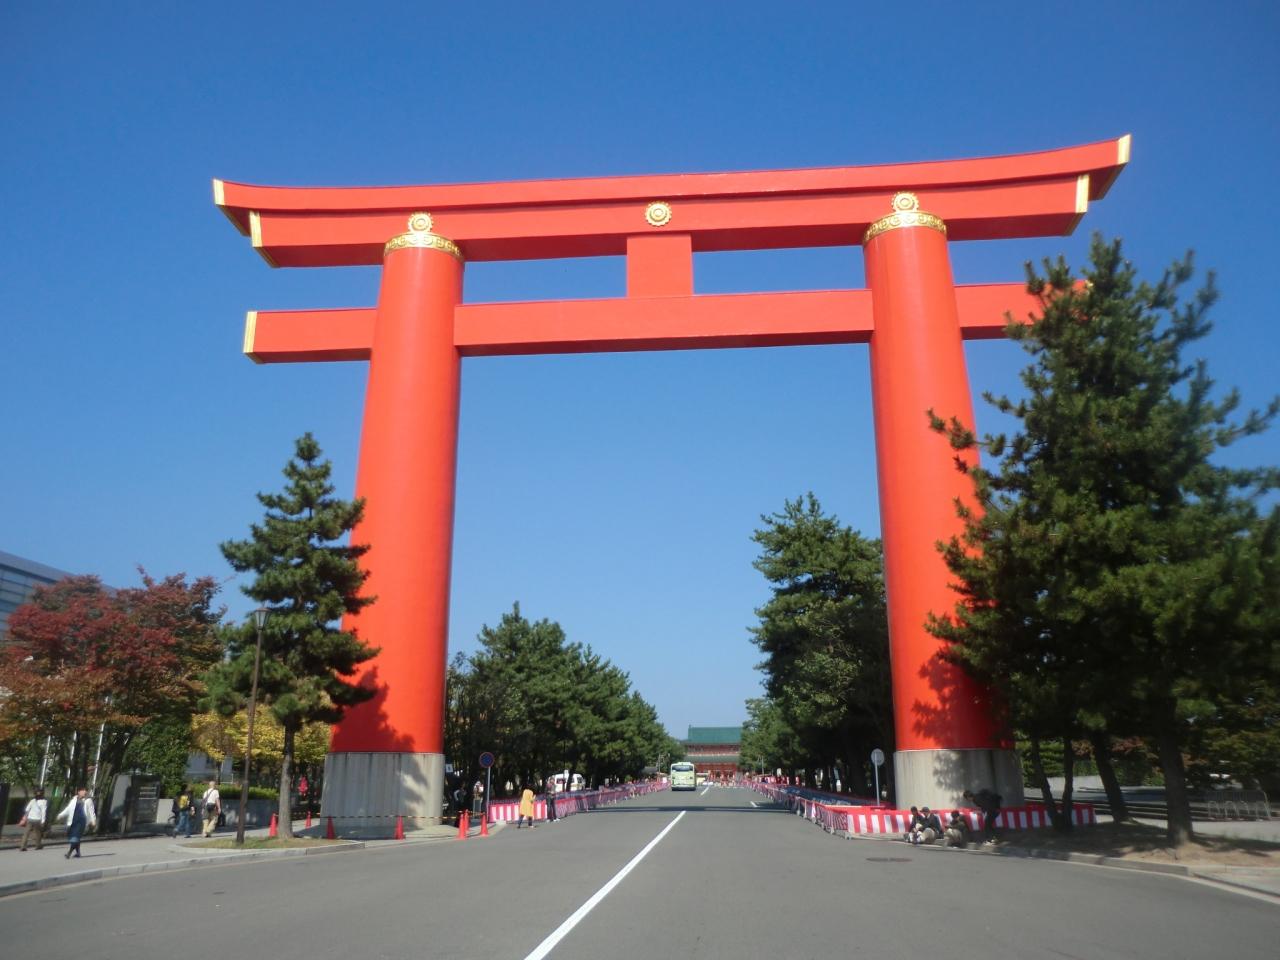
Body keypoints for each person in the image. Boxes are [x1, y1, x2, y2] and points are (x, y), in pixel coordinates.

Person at [56, 787, 97, 859]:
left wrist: (93, 821)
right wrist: (61, 815)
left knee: (75, 837)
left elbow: (91, 811)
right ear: (78, 792)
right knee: (75, 837)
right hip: (73, 820)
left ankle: (69, 853)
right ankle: (78, 853)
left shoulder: (88, 800)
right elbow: (68, 809)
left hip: (81, 821)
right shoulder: (74, 800)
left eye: (85, 790)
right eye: (83, 790)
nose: (85, 792)